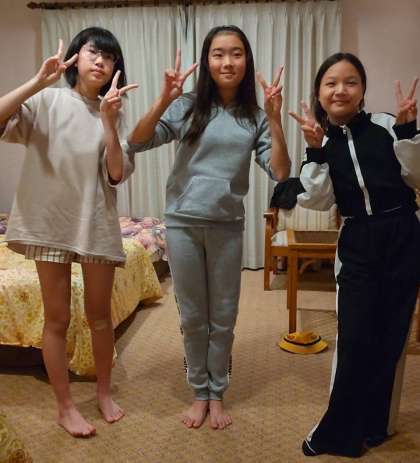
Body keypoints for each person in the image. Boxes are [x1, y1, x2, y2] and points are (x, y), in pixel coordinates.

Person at [127, 25, 290, 429]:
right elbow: (137, 141)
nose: (227, 62)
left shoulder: (255, 117)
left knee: (224, 315)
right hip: (182, 223)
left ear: (246, 61)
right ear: (207, 61)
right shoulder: (187, 106)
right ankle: (199, 391)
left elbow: (280, 172)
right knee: (193, 315)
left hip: (227, 226)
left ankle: (218, 392)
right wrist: (164, 99)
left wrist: (275, 120)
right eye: (218, 54)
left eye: (236, 53)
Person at [0, 27, 137, 437]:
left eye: (110, 57)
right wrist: (36, 82)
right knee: (57, 319)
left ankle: (103, 393)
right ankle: (64, 407)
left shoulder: (113, 111)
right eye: (94, 52)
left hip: (95, 224)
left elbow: (116, 173)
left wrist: (109, 122)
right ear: (76, 57)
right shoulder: (47, 100)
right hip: (50, 225)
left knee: (100, 318)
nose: (102, 61)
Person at [290, 52, 420, 458]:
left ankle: (375, 425)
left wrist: (409, 131)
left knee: (391, 337)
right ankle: (337, 433)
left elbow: (417, 177)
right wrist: (314, 152)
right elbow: (317, 200)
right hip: (358, 241)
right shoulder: (322, 142)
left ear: (362, 90)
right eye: (331, 83)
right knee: (355, 337)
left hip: (403, 234)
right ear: (319, 93)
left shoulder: (386, 125)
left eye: (350, 82)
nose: (340, 90)